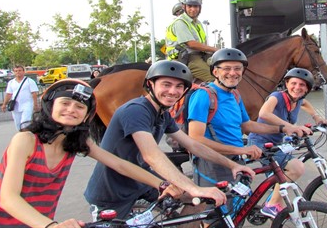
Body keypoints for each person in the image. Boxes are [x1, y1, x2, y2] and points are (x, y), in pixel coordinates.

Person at [0, 79, 183, 228]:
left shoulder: (75, 142)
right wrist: (51, 225)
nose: (72, 109)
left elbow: (120, 164)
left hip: (38, 222)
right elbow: (8, 199)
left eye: (80, 107)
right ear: (49, 106)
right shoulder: (25, 140)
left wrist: (161, 184)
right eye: (65, 103)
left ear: (87, 115)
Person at [84, 60, 254, 220]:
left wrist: (232, 164)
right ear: (150, 84)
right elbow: (152, 155)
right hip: (112, 193)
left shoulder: (162, 114)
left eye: (179, 86)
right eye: (166, 84)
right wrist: (193, 188)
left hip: (141, 183)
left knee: (199, 203)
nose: (173, 91)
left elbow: (193, 145)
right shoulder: (136, 110)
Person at [187, 48, 310, 226]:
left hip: (236, 160)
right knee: (215, 217)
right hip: (212, 163)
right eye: (226, 68)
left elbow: (247, 125)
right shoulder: (204, 95)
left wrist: (283, 128)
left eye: (237, 69)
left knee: (235, 212)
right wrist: (241, 149)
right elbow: (196, 138)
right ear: (215, 71)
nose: (233, 73)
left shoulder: (235, 95)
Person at [248, 68, 327, 218]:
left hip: (277, 143)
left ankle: (274, 200)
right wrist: (291, 127)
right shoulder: (277, 97)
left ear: (307, 89)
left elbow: (305, 103)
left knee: (286, 174)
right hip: (260, 142)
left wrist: (316, 117)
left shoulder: (298, 100)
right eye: (293, 83)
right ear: (286, 83)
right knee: (294, 169)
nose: (297, 87)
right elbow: (264, 114)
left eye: (302, 85)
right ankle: (271, 206)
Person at [165, 0, 218, 82]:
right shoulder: (180, 23)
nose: (193, 9)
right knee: (214, 77)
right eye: (190, 6)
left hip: (199, 55)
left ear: (200, 7)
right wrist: (215, 49)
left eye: (195, 6)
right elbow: (191, 44)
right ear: (184, 6)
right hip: (184, 58)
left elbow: (203, 44)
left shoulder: (198, 24)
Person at [1, 65, 39, 130]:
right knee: (17, 123)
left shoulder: (29, 81)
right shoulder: (11, 82)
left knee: (25, 121)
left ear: (23, 72)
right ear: (14, 72)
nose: (18, 72)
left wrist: (35, 105)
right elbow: (9, 94)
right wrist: (4, 104)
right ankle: (21, 135)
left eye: (19, 70)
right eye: (16, 71)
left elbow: (34, 93)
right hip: (16, 106)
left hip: (27, 104)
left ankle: (26, 135)